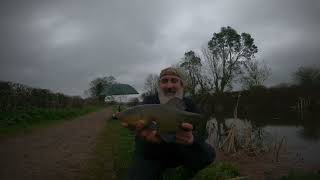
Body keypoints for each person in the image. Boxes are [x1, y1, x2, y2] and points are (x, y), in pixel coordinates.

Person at [123, 67, 215, 180]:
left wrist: (192, 139)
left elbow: (202, 134)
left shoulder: (189, 104)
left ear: (182, 85)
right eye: (164, 81)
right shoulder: (149, 102)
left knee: (208, 154)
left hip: (180, 151)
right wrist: (143, 136)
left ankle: (184, 172)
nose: (169, 86)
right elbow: (141, 131)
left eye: (174, 81)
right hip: (152, 153)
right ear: (159, 85)